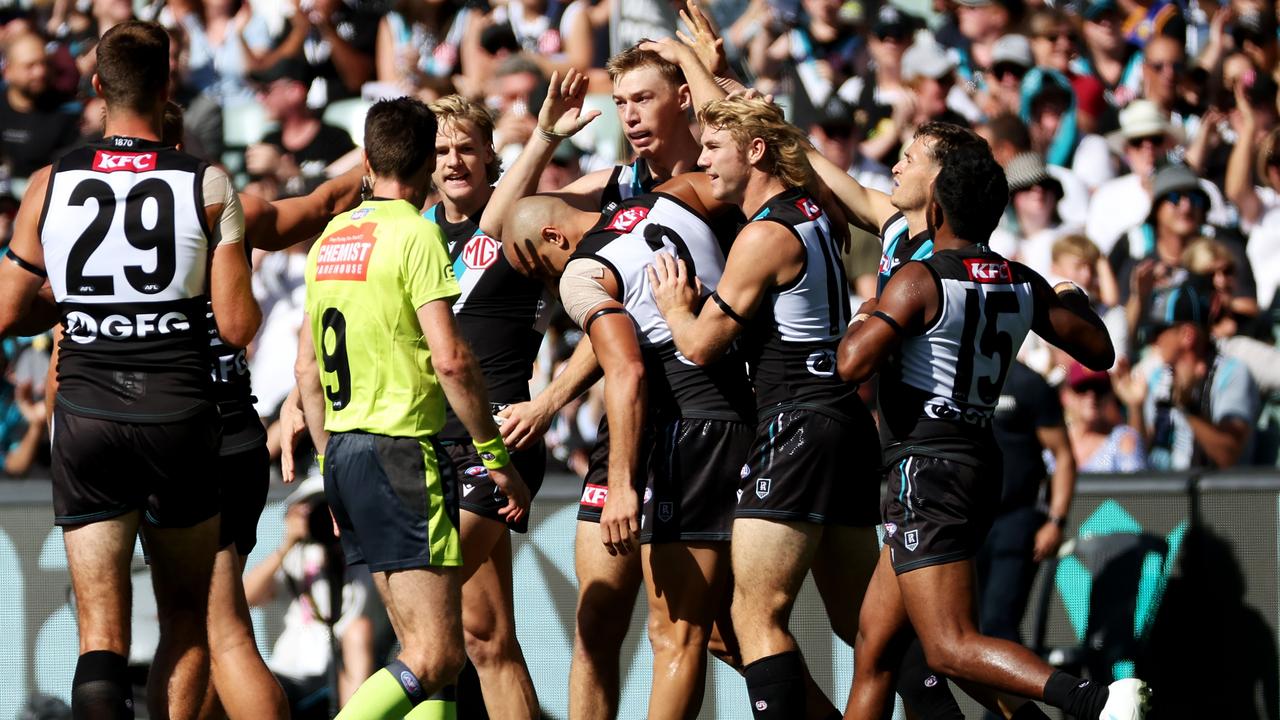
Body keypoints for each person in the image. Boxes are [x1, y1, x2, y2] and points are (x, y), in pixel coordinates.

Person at [834, 137, 1147, 720]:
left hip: (925, 470)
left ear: (935, 210)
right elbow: (1100, 350)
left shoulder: (918, 279)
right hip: (977, 463)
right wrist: (1071, 296)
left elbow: (852, 364)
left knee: (950, 648)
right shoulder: (1019, 280)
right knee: (875, 647)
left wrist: (867, 310)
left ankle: (1096, 701)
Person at [0, 20, 261, 720]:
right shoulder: (205, 181)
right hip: (178, 416)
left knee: (100, 638)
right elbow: (235, 329)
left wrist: (81, 303)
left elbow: (5, 313)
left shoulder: (49, 183)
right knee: (185, 616)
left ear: (96, 89)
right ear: (167, 84)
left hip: (85, 415)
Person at [294, 95, 529, 720]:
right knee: (430, 656)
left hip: (343, 454)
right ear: (427, 161)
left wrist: (331, 468)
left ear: (366, 162)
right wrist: (495, 456)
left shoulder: (330, 240)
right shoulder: (417, 234)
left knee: (438, 654)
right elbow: (451, 360)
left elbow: (305, 374)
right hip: (402, 452)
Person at [646, 95, 881, 719]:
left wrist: (673, 306)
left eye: (713, 148)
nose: (702, 161)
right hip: (846, 422)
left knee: (753, 612)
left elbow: (697, 346)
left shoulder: (763, 236)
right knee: (868, 625)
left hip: (798, 423)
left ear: (754, 152)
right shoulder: (816, 210)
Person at [419, 77, 596, 719]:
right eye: (440, 150)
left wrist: (547, 133)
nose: (453, 161)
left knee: (423, 601)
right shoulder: (417, 230)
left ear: (491, 156)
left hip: (501, 439)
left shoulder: (526, 221)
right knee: (483, 638)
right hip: (432, 442)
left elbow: (619, 188)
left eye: (466, 148)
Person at [979, 358, 1077, 720]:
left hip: (1016, 518)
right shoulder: (959, 374)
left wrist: (1056, 519)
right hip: (968, 522)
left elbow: (1063, 455)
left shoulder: (1027, 383)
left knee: (998, 625)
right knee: (958, 633)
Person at [243, 474, 376, 718]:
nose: (325, 519)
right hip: (289, 674)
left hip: (343, 670)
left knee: (359, 628)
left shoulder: (362, 559)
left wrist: (352, 535)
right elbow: (246, 599)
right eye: (315, 510)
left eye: (332, 510)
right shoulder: (293, 558)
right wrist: (288, 542)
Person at [0, 32, 81, 181]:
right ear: (7, 71)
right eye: (30, 66)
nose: (40, 72)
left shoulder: (67, 110)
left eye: (44, 64)